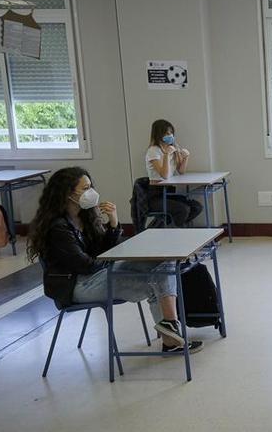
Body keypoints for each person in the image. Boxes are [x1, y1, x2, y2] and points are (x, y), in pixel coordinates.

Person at [28, 167, 201, 353]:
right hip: (77, 286)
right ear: (67, 193)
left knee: (163, 261)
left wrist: (113, 223)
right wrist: (114, 260)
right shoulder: (58, 228)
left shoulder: (83, 216)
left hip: (97, 274)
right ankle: (171, 337)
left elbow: (105, 250)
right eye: (85, 189)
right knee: (157, 281)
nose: (91, 193)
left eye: (90, 187)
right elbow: (86, 265)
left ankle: (170, 327)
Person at [145, 119, 203, 227]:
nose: (170, 135)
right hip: (156, 196)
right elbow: (165, 175)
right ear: (159, 134)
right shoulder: (153, 151)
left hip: (169, 192)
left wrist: (186, 157)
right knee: (183, 210)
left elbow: (181, 171)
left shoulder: (173, 148)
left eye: (171, 133)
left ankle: (171, 226)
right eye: (167, 133)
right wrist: (167, 155)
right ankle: (176, 231)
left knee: (196, 207)